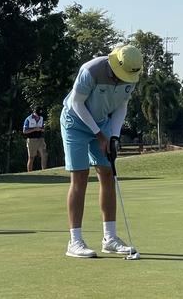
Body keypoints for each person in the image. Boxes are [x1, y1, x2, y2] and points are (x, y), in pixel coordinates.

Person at [60, 44, 143, 258]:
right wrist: (99, 134)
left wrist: (114, 136)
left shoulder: (132, 75)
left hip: (102, 125)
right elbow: (77, 104)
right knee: (80, 176)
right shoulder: (91, 70)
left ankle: (110, 238)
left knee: (107, 173)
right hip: (75, 123)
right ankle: (75, 241)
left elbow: (121, 106)